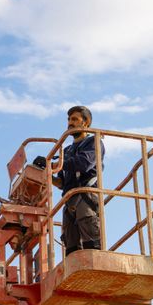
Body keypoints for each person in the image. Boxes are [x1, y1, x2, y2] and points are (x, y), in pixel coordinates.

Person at [35, 105, 104, 255]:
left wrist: (52, 164)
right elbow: (61, 183)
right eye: (68, 119)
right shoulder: (66, 151)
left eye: (74, 119)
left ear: (86, 122)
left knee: (91, 245)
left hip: (86, 196)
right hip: (69, 200)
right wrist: (45, 173)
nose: (70, 123)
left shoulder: (93, 142)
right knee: (72, 248)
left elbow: (84, 163)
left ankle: (93, 273)